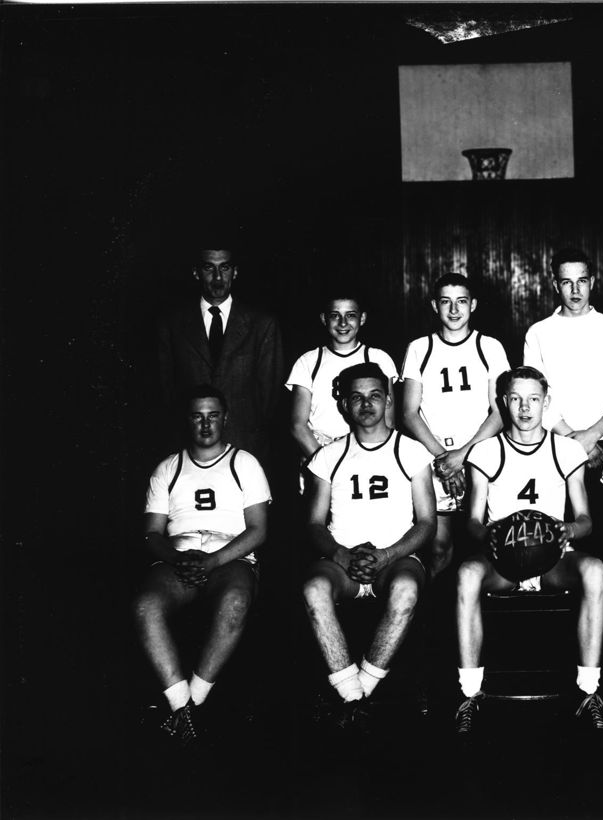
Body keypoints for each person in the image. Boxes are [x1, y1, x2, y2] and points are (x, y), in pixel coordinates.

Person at [454, 366, 603, 734]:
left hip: (553, 556)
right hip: (502, 559)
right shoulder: (485, 451)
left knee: (596, 569)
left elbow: (586, 519)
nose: (525, 408)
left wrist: (565, 529)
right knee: (466, 574)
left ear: (546, 403)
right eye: (516, 399)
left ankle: (589, 690)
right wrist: (490, 533)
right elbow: (472, 521)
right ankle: (470, 693)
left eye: (534, 399)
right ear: (504, 402)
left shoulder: (567, 449)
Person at [134, 385, 271, 747]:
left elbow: (258, 531)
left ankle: (190, 705)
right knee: (146, 606)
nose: (206, 424)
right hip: (180, 558)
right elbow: (151, 534)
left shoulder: (245, 463)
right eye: (197, 416)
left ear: (225, 418)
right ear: (187, 420)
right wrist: (177, 557)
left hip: (230, 557)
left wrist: (212, 561)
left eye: (213, 416)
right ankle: (184, 709)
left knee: (237, 601)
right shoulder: (168, 468)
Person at [301, 362, 436, 728]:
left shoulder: (412, 451)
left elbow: (427, 523)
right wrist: (341, 555)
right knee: (314, 588)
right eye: (356, 397)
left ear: (388, 400)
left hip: (395, 558)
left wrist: (387, 554)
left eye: (375, 395)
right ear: (344, 404)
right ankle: (354, 697)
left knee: (407, 588)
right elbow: (313, 524)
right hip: (342, 561)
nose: (366, 404)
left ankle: (359, 692)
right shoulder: (327, 456)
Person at [400, 274, 510, 577]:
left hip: (479, 457)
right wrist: (444, 460)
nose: (454, 309)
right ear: (435, 306)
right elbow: (409, 413)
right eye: (445, 302)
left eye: (461, 301)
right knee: (438, 548)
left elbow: (500, 411)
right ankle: (430, 618)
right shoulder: (420, 348)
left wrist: (462, 456)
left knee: (483, 546)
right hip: (436, 458)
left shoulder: (490, 347)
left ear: (472, 305)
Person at [157, 248, 285, 462]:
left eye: (224, 267)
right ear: (196, 273)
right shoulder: (172, 325)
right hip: (189, 450)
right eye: (209, 267)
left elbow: (270, 398)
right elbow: (167, 390)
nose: (217, 277)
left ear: (235, 272)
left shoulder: (262, 325)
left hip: (245, 446)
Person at [523, 248, 603, 470]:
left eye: (581, 281)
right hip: (555, 440)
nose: (575, 290)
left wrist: (592, 436)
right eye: (567, 282)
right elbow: (534, 395)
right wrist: (576, 440)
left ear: (591, 282)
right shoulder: (538, 332)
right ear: (556, 285)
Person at [286, 293, 398, 473]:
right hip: (319, 454)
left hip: (368, 455)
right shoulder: (308, 361)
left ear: (362, 318)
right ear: (324, 319)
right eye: (335, 315)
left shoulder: (379, 358)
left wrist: (371, 457)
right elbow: (297, 425)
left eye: (351, 315)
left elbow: (388, 420)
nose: (343, 323)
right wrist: (327, 466)